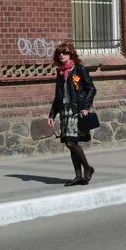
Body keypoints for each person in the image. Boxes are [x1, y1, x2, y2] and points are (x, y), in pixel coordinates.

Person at [47, 40, 96, 186]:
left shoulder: (80, 69)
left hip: (76, 109)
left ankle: (87, 168)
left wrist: (86, 107)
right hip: (64, 110)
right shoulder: (61, 72)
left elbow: (91, 89)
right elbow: (58, 96)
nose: (62, 55)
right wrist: (52, 114)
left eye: (65, 52)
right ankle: (78, 176)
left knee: (70, 142)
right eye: (59, 53)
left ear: (71, 54)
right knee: (71, 143)